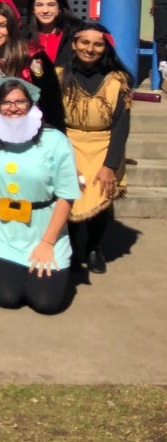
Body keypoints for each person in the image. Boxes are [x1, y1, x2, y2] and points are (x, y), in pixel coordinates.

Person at [0, 78, 77, 314]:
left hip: (43, 229)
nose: (13, 107)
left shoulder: (56, 141)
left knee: (45, 303)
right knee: (7, 297)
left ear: (32, 104)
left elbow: (67, 195)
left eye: (20, 101)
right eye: (5, 102)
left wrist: (47, 243)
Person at [58, 23, 130, 275]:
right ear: (74, 44)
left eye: (97, 44)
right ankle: (73, 248)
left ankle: (94, 247)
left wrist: (110, 165)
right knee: (71, 197)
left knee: (100, 197)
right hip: (69, 142)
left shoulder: (117, 81)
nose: (90, 49)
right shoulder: (59, 76)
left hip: (103, 143)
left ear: (105, 47)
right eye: (84, 43)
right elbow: (53, 120)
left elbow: (121, 125)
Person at [0, 0, 64, 135]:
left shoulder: (33, 56)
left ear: (11, 27)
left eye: (2, 25)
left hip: (27, 132)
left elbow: (50, 101)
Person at [23, 0, 81, 66]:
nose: (45, 10)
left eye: (51, 5)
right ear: (33, 9)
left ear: (60, 8)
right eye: (39, 5)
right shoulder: (23, 35)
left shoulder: (75, 33)